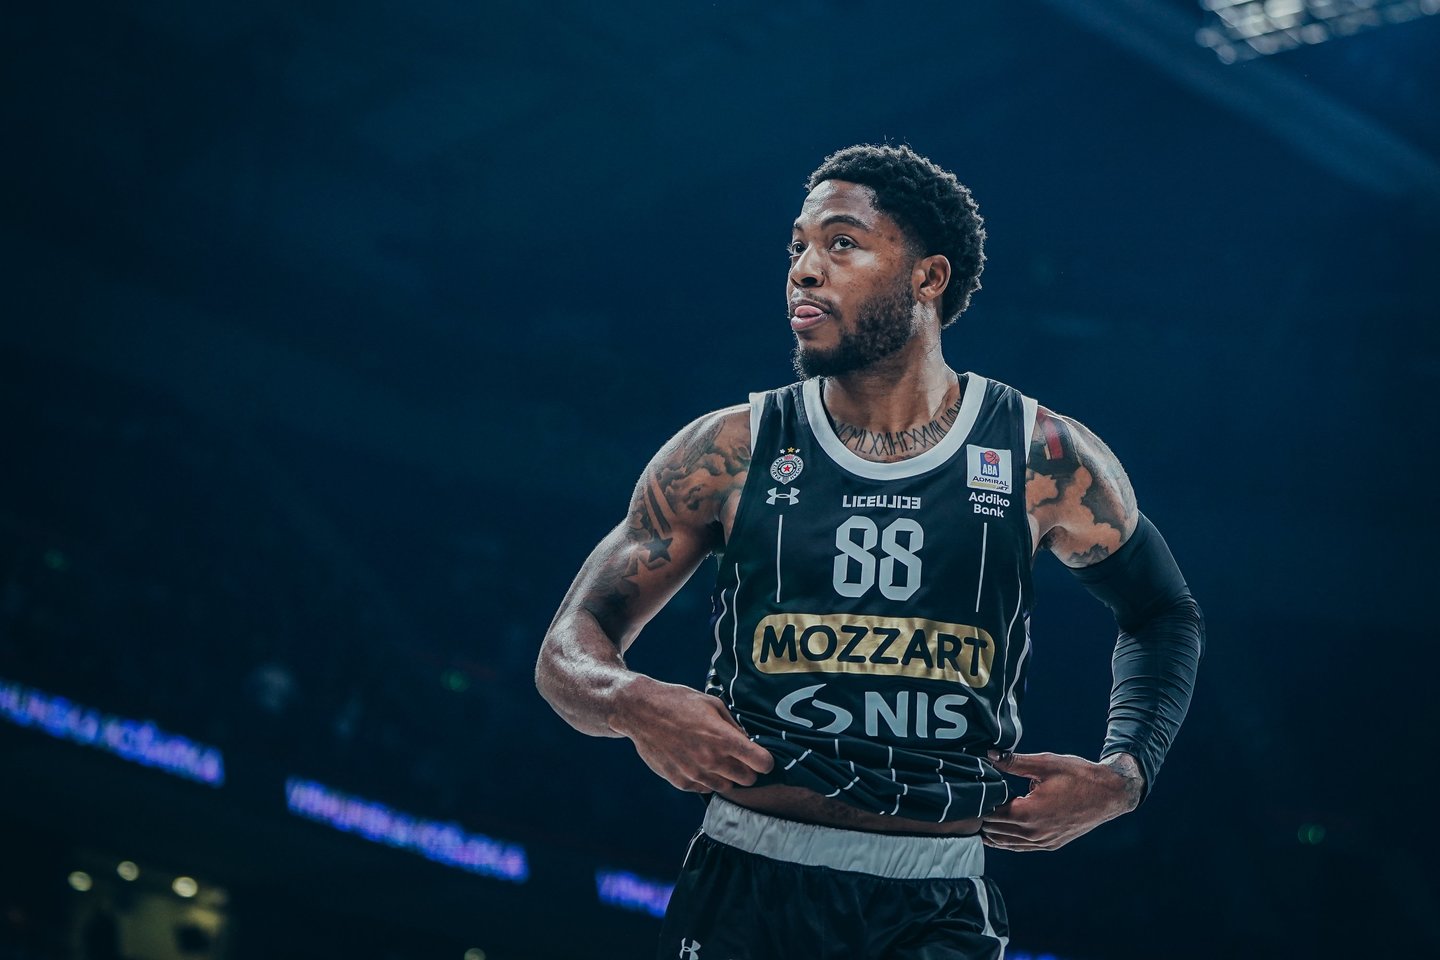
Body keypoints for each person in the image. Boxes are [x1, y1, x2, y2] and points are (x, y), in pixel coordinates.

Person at [536, 143, 1204, 959]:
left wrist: (1126, 775)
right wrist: (630, 701)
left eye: (841, 243)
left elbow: (1162, 611)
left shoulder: (1041, 454)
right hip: (749, 878)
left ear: (928, 277)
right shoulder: (730, 449)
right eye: (797, 247)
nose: (804, 270)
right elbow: (566, 649)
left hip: (935, 895)